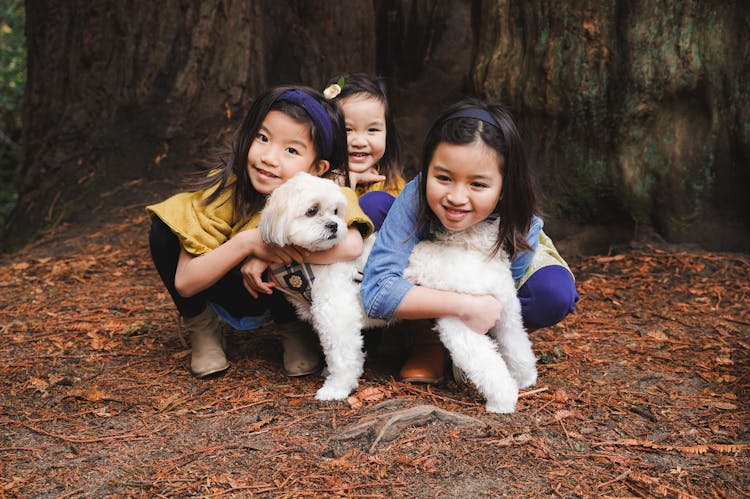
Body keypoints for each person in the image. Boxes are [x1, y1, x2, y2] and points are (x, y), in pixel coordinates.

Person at [148, 85, 374, 379]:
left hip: (284, 294)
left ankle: (291, 329)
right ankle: (202, 329)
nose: (269, 157)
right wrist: (250, 243)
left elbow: (353, 245)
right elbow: (186, 283)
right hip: (228, 287)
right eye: (262, 137)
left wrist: (269, 255)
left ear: (318, 167)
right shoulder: (224, 192)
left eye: (291, 150)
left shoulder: (328, 194)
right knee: (165, 228)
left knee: (294, 236)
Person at [361, 97, 578, 384]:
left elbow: (500, 297)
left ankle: (477, 351)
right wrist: (463, 306)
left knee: (553, 291)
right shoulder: (415, 197)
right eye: (444, 178)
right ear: (427, 170)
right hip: (439, 272)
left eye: (477, 184)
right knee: (374, 206)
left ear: (504, 186)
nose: (457, 197)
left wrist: (476, 327)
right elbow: (377, 292)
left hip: (486, 288)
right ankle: (427, 344)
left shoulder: (521, 221)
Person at [323, 72, 406, 230]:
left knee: (374, 203)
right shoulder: (317, 178)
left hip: (378, 250)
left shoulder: (391, 184)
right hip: (332, 251)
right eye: (347, 130)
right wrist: (349, 181)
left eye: (372, 130)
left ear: (387, 133)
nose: (360, 142)